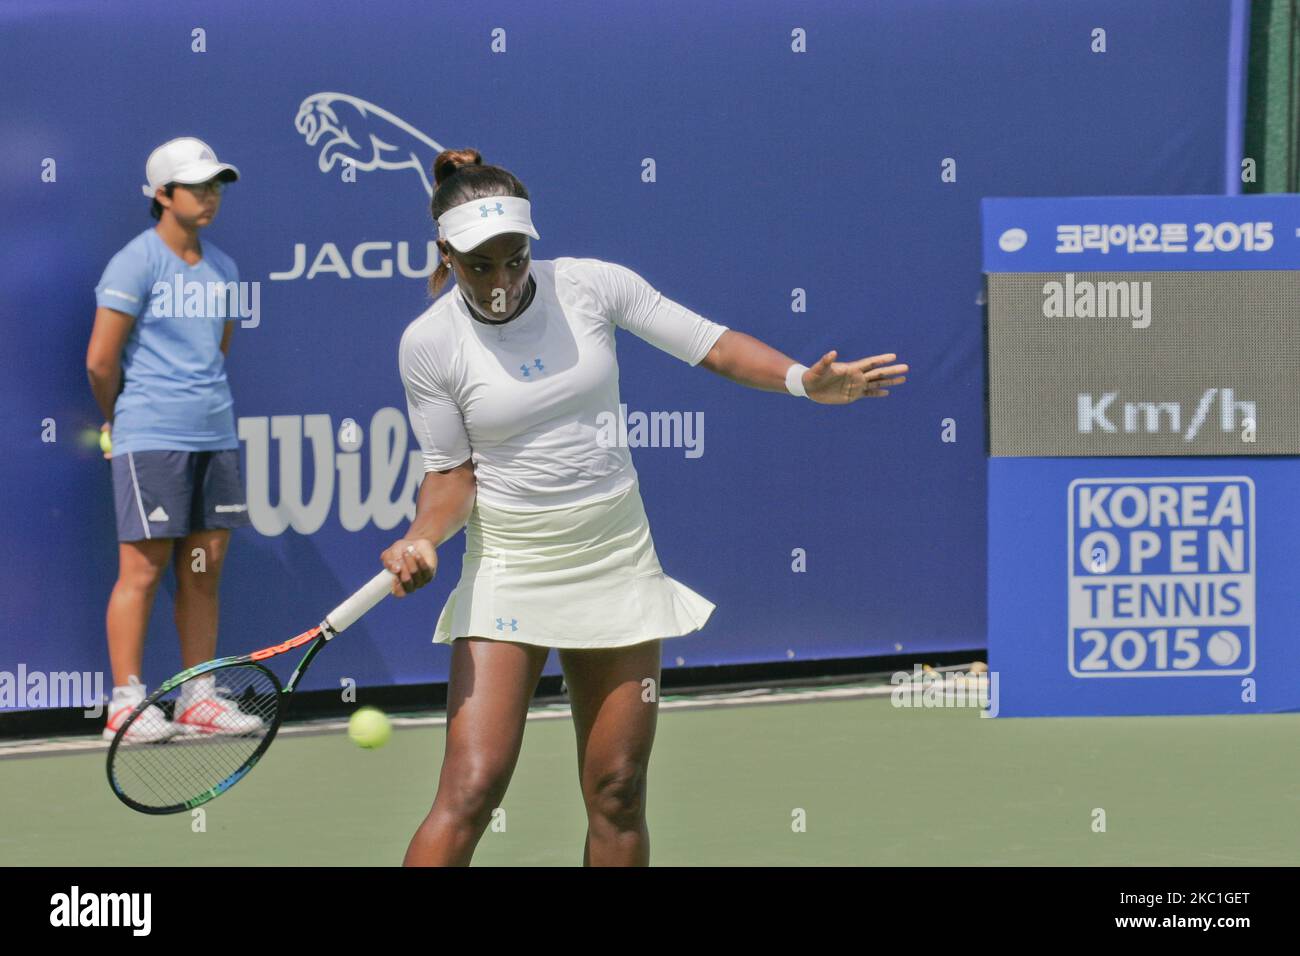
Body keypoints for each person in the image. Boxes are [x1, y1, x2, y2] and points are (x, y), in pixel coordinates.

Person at [387, 148, 909, 866]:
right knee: (471, 789)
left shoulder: (591, 287)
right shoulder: (430, 343)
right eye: (481, 267)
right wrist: (423, 536)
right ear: (446, 253)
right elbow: (451, 475)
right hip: (511, 564)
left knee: (618, 789)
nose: (503, 282)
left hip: (614, 558)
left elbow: (710, 346)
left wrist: (799, 381)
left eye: (516, 260)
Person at [86, 136, 261, 743]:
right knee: (143, 568)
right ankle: (126, 704)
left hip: (214, 433)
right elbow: (101, 362)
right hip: (150, 437)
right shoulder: (134, 263)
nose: (210, 196)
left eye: (216, 185)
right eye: (197, 186)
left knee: (203, 566)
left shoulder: (226, 268)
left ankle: (198, 697)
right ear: (163, 195)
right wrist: (123, 419)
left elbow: (218, 351)